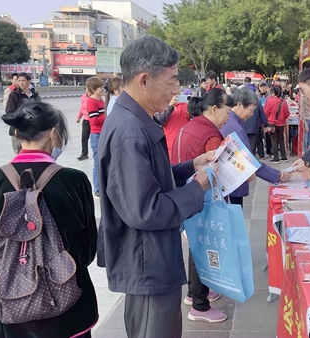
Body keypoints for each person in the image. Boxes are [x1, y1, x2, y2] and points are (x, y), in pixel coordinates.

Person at [97, 35, 214, 338]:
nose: (177, 91)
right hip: (147, 262)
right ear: (145, 79)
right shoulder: (130, 130)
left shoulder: (135, 119)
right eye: (173, 81)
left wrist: (192, 166)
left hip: (152, 256)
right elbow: (146, 209)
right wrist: (196, 188)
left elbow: (151, 179)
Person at [0, 101, 98, 338]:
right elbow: (86, 249)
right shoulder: (73, 181)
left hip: (7, 306)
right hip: (67, 307)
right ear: (54, 133)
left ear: (17, 132)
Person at [176, 88, 231, 323]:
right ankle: (200, 305)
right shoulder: (212, 136)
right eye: (227, 111)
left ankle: (194, 293)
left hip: (186, 195)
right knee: (204, 248)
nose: (229, 118)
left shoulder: (190, 125)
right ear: (215, 108)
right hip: (203, 198)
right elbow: (222, 176)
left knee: (196, 246)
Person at [220, 87, 291, 206]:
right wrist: (279, 175)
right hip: (232, 186)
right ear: (240, 105)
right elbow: (250, 162)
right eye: (250, 110)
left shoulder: (229, 121)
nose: (252, 114)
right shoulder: (236, 128)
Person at [5, 73, 41, 154]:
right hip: (19, 129)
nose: (21, 83)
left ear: (29, 82)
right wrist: (16, 127)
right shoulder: (14, 95)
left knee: (33, 152)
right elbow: (10, 112)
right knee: (20, 152)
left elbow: (40, 110)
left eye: (23, 81)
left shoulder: (35, 95)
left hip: (32, 128)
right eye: (19, 81)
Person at [85, 76, 106, 198]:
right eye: (100, 87)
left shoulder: (101, 101)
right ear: (93, 89)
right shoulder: (91, 102)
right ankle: (97, 189)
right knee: (97, 163)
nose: (103, 89)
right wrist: (108, 114)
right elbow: (94, 121)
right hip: (96, 135)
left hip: (103, 133)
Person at [155, 95, 191, 163]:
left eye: (177, 87)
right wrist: (170, 107)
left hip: (186, 144)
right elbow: (159, 121)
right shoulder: (162, 105)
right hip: (170, 145)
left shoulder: (186, 105)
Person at [264, 85, 290, 163]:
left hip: (272, 123)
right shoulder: (284, 102)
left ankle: (276, 158)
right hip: (281, 124)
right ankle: (284, 157)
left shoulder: (269, 100)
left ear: (274, 92)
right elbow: (287, 114)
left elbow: (266, 112)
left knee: (274, 141)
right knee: (281, 140)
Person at [242, 84, 268, 160]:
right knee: (252, 148)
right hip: (254, 128)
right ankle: (251, 163)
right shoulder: (257, 102)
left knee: (244, 147)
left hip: (243, 127)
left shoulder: (242, 102)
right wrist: (266, 124)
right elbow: (262, 115)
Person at [76, 87, 91, 160]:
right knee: (84, 137)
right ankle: (84, 153)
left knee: (96, 138)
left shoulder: (95, 97)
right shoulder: (83, 96)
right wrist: (79, 117)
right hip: (86, 120)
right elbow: (81, 108)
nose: (87, 90)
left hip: (93, 120)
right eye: (86, 89)